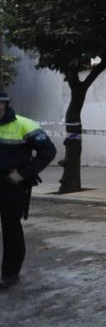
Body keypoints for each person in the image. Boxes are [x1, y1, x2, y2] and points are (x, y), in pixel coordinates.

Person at [0, 91, 57, 290]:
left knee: (10, 228)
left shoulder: (25, 125)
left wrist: (23, 174)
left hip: (11, 184)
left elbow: (48, 152)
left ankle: (10, 274)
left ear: (5, 104)